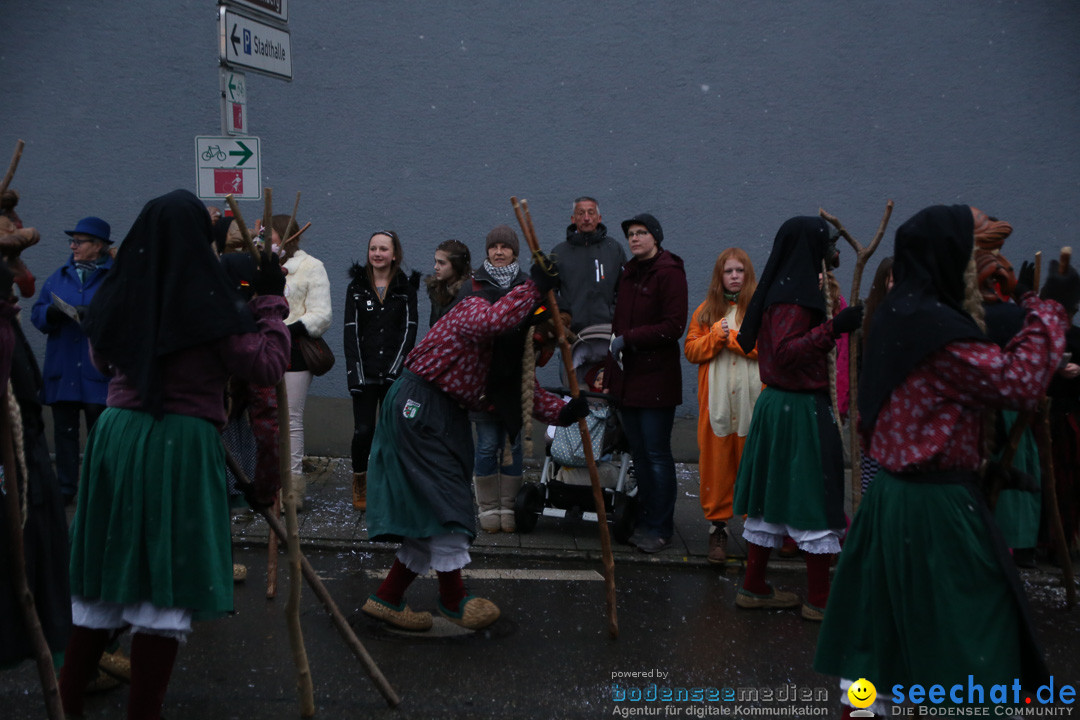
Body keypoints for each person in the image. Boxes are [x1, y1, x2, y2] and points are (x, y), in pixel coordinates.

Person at [814, 204, 1076, 717]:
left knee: (882, 642)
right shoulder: (936, 330)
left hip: (891, 501)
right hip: (931, 511)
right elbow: (1018, 383)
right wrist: (1051, 312)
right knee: (971, 645)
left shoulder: (898, 313)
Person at [58, 189, 290, 719]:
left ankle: (65, 705)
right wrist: (271, 303)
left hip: (116, 437)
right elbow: (267, 364)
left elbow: (99, 362)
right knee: (162, 584)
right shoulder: (208, 299)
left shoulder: (120, 293)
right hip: (177, 443)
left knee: (109, 568)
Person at [361, 253, 585, 631]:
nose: (539, 354)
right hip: (421, 408)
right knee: (449, 502)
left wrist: (564, 411)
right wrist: (535, 287)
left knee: (428, 512)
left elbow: (520, 390)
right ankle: (453, 601)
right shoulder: (475, 308)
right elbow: (495, 322)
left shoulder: (503, 354)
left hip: (443, 416)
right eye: (540, 343)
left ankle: (386, 598)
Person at [732, 216, 863, 620]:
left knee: (775, 498)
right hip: (798, 409)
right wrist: (834, 328)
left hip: (781, 408)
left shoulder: (785, 289)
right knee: (811, 499)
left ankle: (754, 587)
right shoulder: (794, 296)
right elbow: (788, 353)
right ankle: (819, 600)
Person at [606, 213, 688, 554]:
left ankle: (660, 527)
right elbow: (618, 324)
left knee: (656, 456)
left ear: (656, 237)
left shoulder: (668, 273)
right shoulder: (628, 272)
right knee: (639, 456)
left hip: (656, 380)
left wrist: (629, 340)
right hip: (628, 380)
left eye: (641, 233)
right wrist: (612, 370)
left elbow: (673, 326)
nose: (635, 239)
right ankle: (643, 520)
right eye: (631, 234)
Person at [684, 248, 760, 565]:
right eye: (728, 271)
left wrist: (731, 340)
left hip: (751, 405)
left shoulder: (760, 310)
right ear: (720, 276)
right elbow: (691, 351)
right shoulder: (705, 312)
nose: (733, 276)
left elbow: (763, 348)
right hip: (716, 406)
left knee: (754, 468)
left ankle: (760, 535)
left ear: (747, 274)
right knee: (716, 467)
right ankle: (719, 529)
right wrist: (715, 336)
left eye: (739, 271)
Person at [30, 216, 114, 505]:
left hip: (97, 372)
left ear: (99, 246)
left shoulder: (115, 278)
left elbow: (127, 317)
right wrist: (49, 315)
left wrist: (98, 318)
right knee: (64, 434)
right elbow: (37, 314)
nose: (73, 246)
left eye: (80, 241)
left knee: (100, 436)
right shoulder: (59, 275)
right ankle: (66, 488)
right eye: (73, 241)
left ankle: (100, 490)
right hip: (64, 370)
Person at [344, 231, 419, 511]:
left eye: (383, 249)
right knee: (364, 431)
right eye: (373, 248)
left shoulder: (405, 288)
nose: (377, 253)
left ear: (394, 254)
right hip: (365, 375)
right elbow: (350, 333)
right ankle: (360, 481)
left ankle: (389, 484)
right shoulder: (357, 287)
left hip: (393, 374)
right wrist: (355, 374)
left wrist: (395, 370)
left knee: (393, 433)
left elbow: (408, 332)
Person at [465, 225, 531, 533]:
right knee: (488, 444)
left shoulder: (527, 284)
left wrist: (540, 335)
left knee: (514, 445)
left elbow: (541, 314)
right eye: (494, 246)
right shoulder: (475, 284)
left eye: (505, 247)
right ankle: (488, 509)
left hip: (517, 379)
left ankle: (509, 507)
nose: (499, 251)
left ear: (515, 252)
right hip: (484, 381)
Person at [269, 214, 332, 510]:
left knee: (290, 420)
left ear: (285, 237)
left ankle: (290, 491)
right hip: (264, 350)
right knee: (266, 420)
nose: (265, 242)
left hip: (294, 351)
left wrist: (287, 328)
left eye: (269, 236)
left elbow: (321, 314)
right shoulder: (261, 266)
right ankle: (267, 485)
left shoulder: (311, 267)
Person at [550, 197, 627, 334]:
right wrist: (563, 318)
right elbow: (550, 292)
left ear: (599, 218)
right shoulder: (559, 253)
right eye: (581, 213)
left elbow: (625, 288)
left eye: (591, 213)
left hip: (608, 332)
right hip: (572, 335)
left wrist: (613, 316)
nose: (586, 218)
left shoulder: (614, 249)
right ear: (573, 219)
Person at [425, 238, 471, 327]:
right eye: (436, 261)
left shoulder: (469, 294)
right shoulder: (437, 290)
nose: (435, 267)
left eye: (441, 263)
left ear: (456, 265)